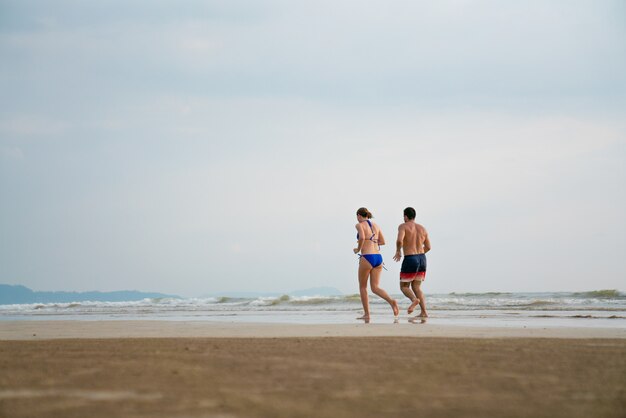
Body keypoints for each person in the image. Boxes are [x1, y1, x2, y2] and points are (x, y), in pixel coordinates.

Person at [353, 207, 399, 321]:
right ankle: (391, 301)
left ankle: (367, 314)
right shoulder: (376, 225)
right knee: (375, 287)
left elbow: (362, 237)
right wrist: (373, 241)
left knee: (363, 287)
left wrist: (358, 249)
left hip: (367, 257)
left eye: (357, 216)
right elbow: (383, 242)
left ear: (359, 215)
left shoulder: (359, 225)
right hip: (378, 258)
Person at [393, 207, 431, 317]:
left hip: (410, 258)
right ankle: (424, 312)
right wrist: (419, 254)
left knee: (404, 287)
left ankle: (414, 300)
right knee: (417, 287)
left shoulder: (403, 226)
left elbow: (399, 240)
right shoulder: (422, 228)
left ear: (405, 216)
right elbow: (428, 246)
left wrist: (398, 251)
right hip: (422, 258)